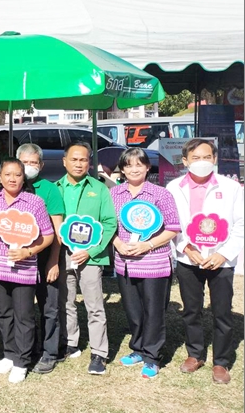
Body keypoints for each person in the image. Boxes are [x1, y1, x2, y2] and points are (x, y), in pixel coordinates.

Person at [166, 139, 244, 384]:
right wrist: (185, 247)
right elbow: (172, 224)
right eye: (196, 158)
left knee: (222, 312)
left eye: (207, 157)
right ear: (185, 160)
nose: (202, 162)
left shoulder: (231, 187)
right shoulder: (173, 187)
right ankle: (195, 354)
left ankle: (221, 362)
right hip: (189, 258)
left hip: (221, 259)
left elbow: (242, 224)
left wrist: (224, 253)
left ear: (215, 159)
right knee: (192, 310)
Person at [110, 148, 181, 379]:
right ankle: (138, 349)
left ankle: (152, 356)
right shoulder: (115, 194)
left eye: (139, 164)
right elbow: (108, 224)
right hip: (125, 263)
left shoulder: (160, 194)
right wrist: (117, 243)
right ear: (122, 168)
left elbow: (172, 228)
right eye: (128, 165)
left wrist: (147, 245)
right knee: (133, 311)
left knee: (153, 311)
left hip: (154, 262)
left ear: (147, 167)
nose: (133, 169)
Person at [0, 158, 54, 383]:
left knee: (24, 315)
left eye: (17, 174)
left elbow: (48, 235)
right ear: (0, 177)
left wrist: (28, 252)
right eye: (7, 174)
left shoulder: (34, 202)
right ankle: (9, 353)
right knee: (4, 313)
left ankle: (22, 360)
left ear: (23, 176)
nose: (12, 179)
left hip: (24, 269)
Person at [54, 142, 117, 375]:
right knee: (66, 301)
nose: (79, 164)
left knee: (94, 305)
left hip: (91, 257)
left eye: (83, 160)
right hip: (63, 255)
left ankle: (99, 352)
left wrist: (91, 251)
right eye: (74, 159)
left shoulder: (99, 189)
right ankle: (71, 342)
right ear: (64, 161)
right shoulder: (55, 188)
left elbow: (110, 222)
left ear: (89, 163)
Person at [16, 143, 65, 375]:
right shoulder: (13, 187)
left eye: (33, 162)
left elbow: (58, 231)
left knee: (49, 306)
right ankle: (28, 347)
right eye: (24, 162)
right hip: (20, 258)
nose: (29, 167)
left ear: (41, 165)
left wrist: (53, 260)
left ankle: (50, 352)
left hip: (45, 254)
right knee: (23, 308)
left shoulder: (49, 189)